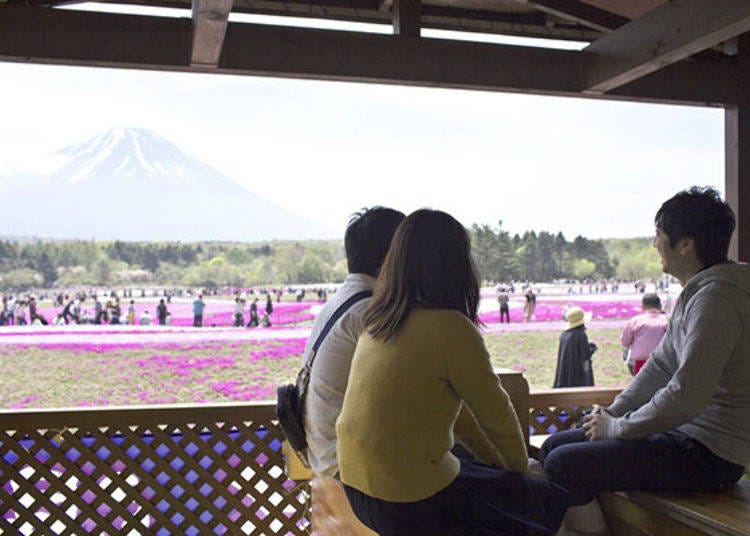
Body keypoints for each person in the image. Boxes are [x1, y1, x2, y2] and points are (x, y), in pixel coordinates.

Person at [337, 209, 578, 535]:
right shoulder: (451, 328)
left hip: (359, 488)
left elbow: (459, 413)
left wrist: (495, 464)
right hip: (411, 498)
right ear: (456, 265)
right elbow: (499, 416)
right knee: (549, 502)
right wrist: (520, 474)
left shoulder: (380, 320)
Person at [542, 187, 749, 512]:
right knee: (554, 445)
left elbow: (687, 395)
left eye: (659, 235)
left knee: (561, 462)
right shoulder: (701, 291)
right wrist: (613, 412)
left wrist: (616, 428)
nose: (654, 244)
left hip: (708, 454)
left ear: (685, 245)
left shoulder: (717, 300)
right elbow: (660, 367)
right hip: (683, 438)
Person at [301, 207, 405, 478]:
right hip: (348, 468)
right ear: (391, 258)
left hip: (326, 457)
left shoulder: (344, 301)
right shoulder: (371, 312)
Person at [620, 293, 668, 376]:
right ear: (660, 306)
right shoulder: (667, 321)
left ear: (643, 306)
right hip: (663, 362)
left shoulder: (635, 321)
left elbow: (625, 342)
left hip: (639, 363)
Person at [552, 306, 596, 388]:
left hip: (565, 371)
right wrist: (592, 348)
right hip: (578, 373)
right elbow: (585, 355)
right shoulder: (580, 334)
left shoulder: (564, 334)